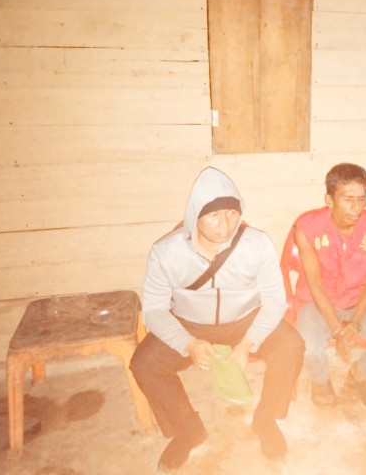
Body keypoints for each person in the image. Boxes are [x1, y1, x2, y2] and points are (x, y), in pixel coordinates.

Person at [130, 167, 304, 472]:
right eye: (213, 216)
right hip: (190, 324)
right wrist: (188, 343)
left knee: (291, 345)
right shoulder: (165, 252)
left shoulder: (257, 244)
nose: (225, 225)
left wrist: (248, 343)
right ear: (195, 215)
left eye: (232, 213)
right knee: (144, 364)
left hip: (244, 320)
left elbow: (275, 301)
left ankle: (265, 419)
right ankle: (187, 428)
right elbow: (155, 310)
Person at [292, 163, 366, 410]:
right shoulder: (307, 228)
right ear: (329, 200)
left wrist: (355, 322)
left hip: (359, 304)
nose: (356, 207)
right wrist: (338, 329)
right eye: (348, 200)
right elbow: (314, 285)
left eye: (361, 199)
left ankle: (362, 373)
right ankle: (320, 380)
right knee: (305, 346)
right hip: (317, 305)